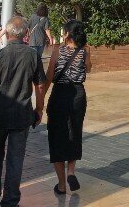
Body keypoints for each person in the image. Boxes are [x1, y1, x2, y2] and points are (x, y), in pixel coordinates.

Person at [0, 16, 46, 207]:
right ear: (26, 33)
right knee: (15, 159)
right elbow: (40, 85)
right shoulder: (32, 55)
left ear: (7, 33)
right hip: (22, 115)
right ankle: (10, 200)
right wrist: (39, 109)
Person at [45, 20, 90, 194]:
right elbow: (88, 69)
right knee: (75, 132)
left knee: (57, 136)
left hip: (60, 94)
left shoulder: (57, 50)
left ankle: (62, 185)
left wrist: (40, 101)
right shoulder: (85, 50)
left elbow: (49, 76)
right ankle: (71, 171)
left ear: (68, 34)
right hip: (78, 94)